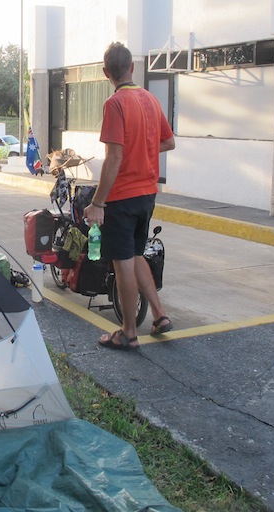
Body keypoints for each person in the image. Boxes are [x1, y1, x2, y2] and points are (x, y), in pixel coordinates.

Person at [83, 42, 175, 351]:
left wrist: (97, 203)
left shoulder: (115, 103)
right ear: (133, 68)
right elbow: (168, 142)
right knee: (136, 255)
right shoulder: (150, 99)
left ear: (106, 72)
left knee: (122, 263)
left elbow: (114, 157)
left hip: (122, 198)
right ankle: (160, 315)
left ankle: (128, 332)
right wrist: (143, 149)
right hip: (147, 195)